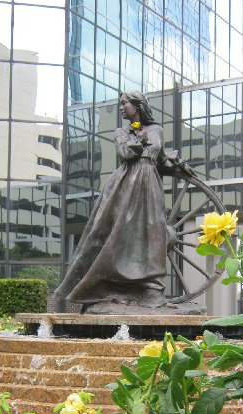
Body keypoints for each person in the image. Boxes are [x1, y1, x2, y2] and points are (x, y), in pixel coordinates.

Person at [54, 91, 170, 310]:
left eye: (124, 103)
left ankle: (151, 288)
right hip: (126, 182)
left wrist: (172, 161)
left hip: (149, 180)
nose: (121, 107)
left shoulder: (157, 129)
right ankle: (115, 284)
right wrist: (138, 142)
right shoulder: (121, 131)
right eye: (120, 103)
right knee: (121, 232)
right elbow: (125, 153)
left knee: (153, 228)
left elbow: (158, 154)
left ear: (137, 105)